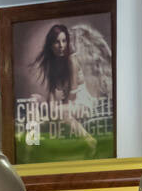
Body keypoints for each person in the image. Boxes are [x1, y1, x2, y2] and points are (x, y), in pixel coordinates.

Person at [30, 23, 97, 155]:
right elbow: (52, 93)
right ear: (51, 45)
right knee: (34, 99)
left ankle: (90, 140)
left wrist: (54, 111)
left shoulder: (72, 60)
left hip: (81, 102)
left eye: (64, 41)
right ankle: (33, 142)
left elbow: (72, 93)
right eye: (57, 42)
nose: (61, 46)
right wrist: (51, 107)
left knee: (59, 112)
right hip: (68, 103)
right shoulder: (52, 65)